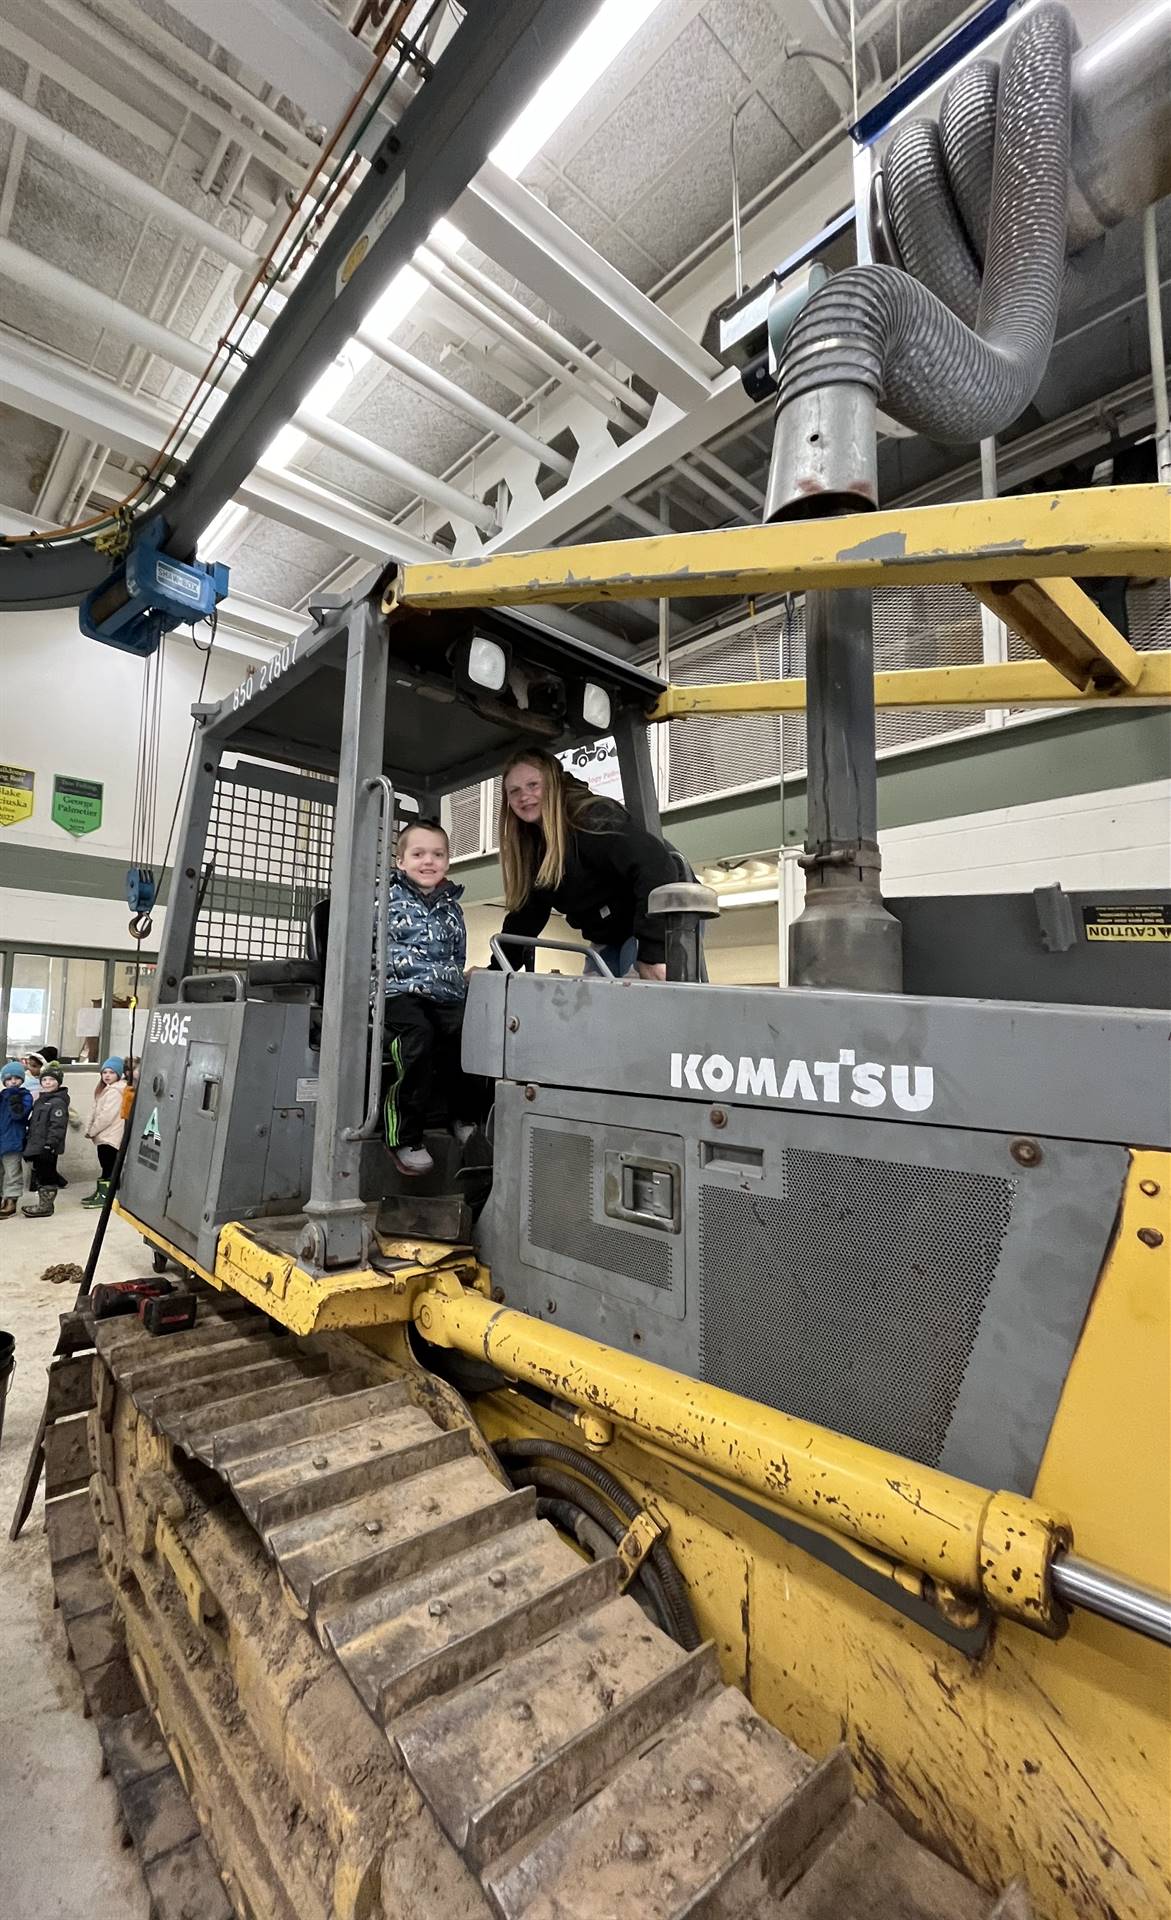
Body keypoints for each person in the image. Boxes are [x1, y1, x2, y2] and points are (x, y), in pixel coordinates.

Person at [497, 748, 678, 980]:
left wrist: (654, 952)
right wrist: (496, 968)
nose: (524, 796)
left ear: (553, 785)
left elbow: (655, 866)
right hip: (608, 934)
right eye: (514, 791)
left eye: (533, 785)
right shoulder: (533, 848)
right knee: (593, 1000)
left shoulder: (590, 820)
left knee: (639, 995)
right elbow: (527, 915)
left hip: (650, 920)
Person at [380, 820, 480, 1178]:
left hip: (442, 994)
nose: (428, 861)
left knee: (472, 1034)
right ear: (400, 860)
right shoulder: (384, 899)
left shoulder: (452, 907)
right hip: (397, 993)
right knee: (418, 1036)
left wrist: (459, 985)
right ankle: (403, 1136)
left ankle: (464, 1117)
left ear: (448, 861)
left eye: (437, 854)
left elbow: (457, 955)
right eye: (418, 854)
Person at [21, 1061, 70, 1218]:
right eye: (45, 1080)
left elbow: (58, 1126)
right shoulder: (41, 1100)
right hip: (37, 1145)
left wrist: (50, 1144)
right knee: (41, 1175)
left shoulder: (58, 1102)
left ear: (58, 1082)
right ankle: (42, 1203)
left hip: (47, 1147)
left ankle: (46, 1206)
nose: (48, 1083)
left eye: (52, 1080)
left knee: (47, 1175)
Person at [82, 1056, 126, 1210]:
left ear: (119, 1075)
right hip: (104, 1135)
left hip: (110, 1136)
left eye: (112, 1073)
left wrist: (92, 1130)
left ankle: (107, 1196)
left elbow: (106, 1116)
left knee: (108, 1165)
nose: (107, 1075)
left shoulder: (115, 1091)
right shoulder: (106, 1090)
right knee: (105, 1165)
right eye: (104, 1072)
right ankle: (101, 1192)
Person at [0, 1062, 33, 1219]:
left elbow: (19, 1115)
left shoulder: (25, 1096)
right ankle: (2, 1198)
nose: (13, 1081)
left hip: (12, 1141)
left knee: (12, 1173)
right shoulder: (1, 1097)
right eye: (9, 1079)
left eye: (16, 1078)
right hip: (1, 1140)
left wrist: (14, 1098)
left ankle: (11, 1201)